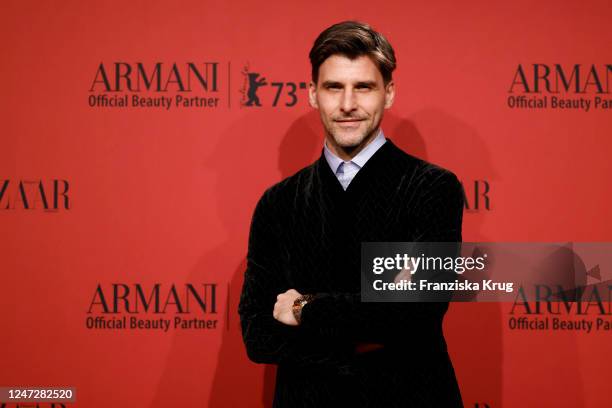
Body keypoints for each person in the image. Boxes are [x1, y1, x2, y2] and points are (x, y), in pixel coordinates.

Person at [238, 20, 464, 407]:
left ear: (388, 94)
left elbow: (416, 314)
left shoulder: (432, 189)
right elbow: (258, 335)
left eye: (363, 87)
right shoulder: (278, 202)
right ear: (312, 94)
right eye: (333, 88)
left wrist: (303, 307)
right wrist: (365, 336)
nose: (347, 104)